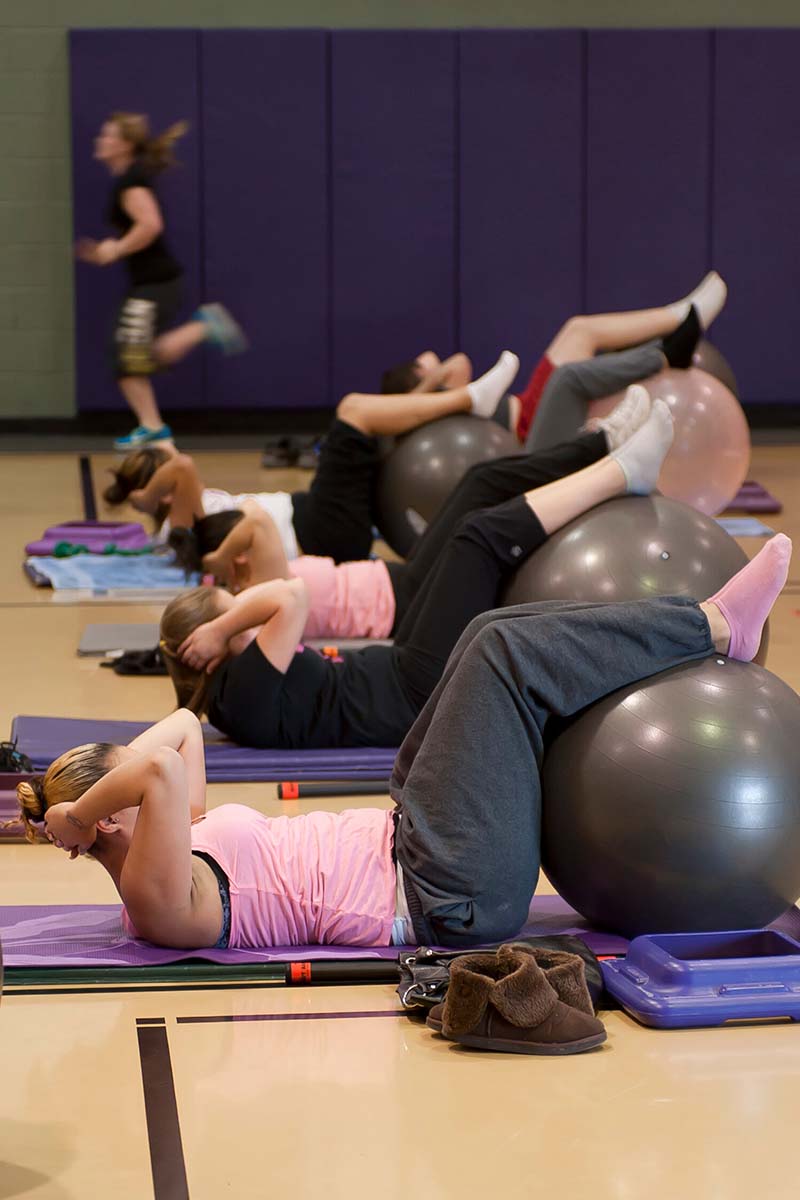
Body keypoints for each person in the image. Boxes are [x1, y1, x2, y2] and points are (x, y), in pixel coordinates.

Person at [20, 536, 790, 950]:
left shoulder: (176, 841)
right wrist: (77, 815)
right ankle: (715, 624)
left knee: (483, 635)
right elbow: (154, 765)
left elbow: (182, 730)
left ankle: (691, 632)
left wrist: (82, 810)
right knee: (503, 659)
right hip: (442, 896)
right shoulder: (152, 899)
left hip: (416, 842)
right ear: (113, 822)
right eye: (116, 801)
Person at [157, 398, 676, 751]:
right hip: (414, 692)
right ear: (207, 649)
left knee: (477, 499)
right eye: (231, 618)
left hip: (404, 668)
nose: (241, 620)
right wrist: (222, 626)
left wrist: (223, 626)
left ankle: (605, 449)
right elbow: (290, 596)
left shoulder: (236, 687)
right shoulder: (239, 692)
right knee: (480, 537)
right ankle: (620, 474)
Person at [169, 388, 653, 642]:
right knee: (482, 496)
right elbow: (253, 518)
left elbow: (250, 522)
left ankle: (600, 450)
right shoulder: (263, 593)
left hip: (403, 581)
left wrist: (216, 566)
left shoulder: (256, 585)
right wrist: (217, 564)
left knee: (478, 481)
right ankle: (602, 450)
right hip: (410, 601)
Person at [103, 349, 522, 564]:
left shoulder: (181, 506)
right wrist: (141, 498)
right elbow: (180, 464)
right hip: (321, 529)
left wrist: (144, 481)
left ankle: (447, 399)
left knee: (368, 427)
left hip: (322, 523)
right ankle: (468, 399)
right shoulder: (176, 528)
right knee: (352, 410)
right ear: (160, 494)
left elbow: (169, 457)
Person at [381, 271, 728, 446]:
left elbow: (457, 367)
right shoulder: (423, 408)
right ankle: (678, 328)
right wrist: (430, 377)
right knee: (579, 341)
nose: (433, 363)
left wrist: (429, 375)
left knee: (579, 329)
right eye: (421, 365)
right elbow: (458, 364)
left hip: (531, 407)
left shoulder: (438, 400)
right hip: (530, 425)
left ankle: (680, 317)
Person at [76, 112, 246, 451]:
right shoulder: (128, 178)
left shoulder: (131, 182)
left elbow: (151, 225)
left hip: (157, 283)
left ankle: (201, 330)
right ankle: (153, 425)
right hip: (152, 284)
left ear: (124, 145)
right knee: (131, 355)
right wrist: (107, 251)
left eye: (108, 135)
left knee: (127, 355)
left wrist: (115, 250)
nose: (101, 140)